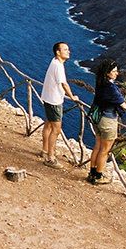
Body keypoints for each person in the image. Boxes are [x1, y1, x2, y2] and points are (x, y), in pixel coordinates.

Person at [39, 41, 78, 169]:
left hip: (48, 98)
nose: (68, 51)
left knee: (48, 125)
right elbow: (64, 84)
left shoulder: (54, 61)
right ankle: (50, 158)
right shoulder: (59, 66)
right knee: (56, 130)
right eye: (65, 49)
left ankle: (45, 151)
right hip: (54, 101)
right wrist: (72, 96)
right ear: (58, 52)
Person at [87, 59, 126, 185]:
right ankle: (99, 176)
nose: (117, 73)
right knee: (105, 150)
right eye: (114, 71)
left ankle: (92, 173)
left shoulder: (100, 82)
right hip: (108, 121)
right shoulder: (111, 88)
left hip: (98, 119)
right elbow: (124, 105)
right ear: (107, 73)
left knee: (97, 146)